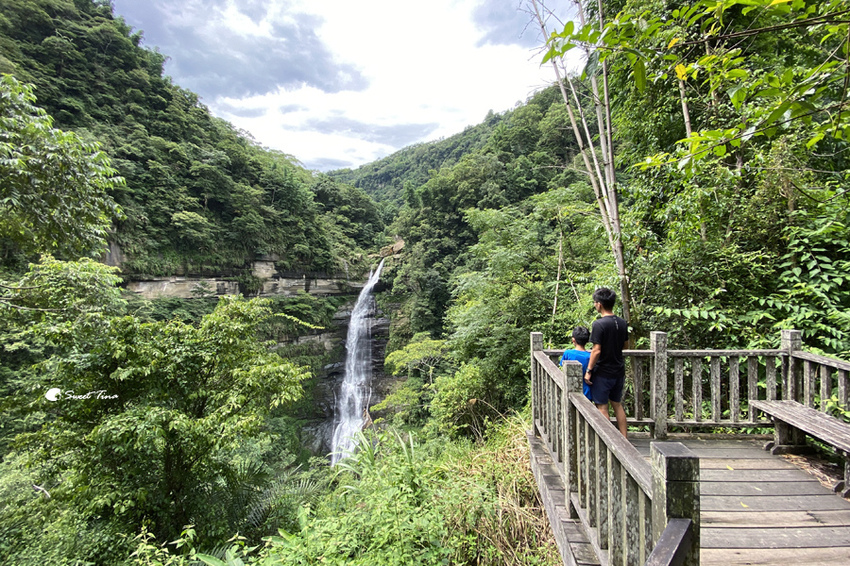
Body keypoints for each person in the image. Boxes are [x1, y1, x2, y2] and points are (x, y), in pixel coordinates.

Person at [585, 287, 629, 437]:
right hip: (619, 370)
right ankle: (624, 439)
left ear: (599, 304)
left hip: (603, 372)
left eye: (595, 302)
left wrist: (589, 371)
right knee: (617, 405)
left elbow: (596, 350)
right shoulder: (622, 322)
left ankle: (608, 441)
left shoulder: (599, 324)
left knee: (602, 407)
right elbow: (626, 345)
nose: (595, 305)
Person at [560, 326, 592, 400]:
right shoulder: (590, 357)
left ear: (573, 340)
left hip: (570, 390)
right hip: (587, 392)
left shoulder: (568, 353)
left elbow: (562, 369)